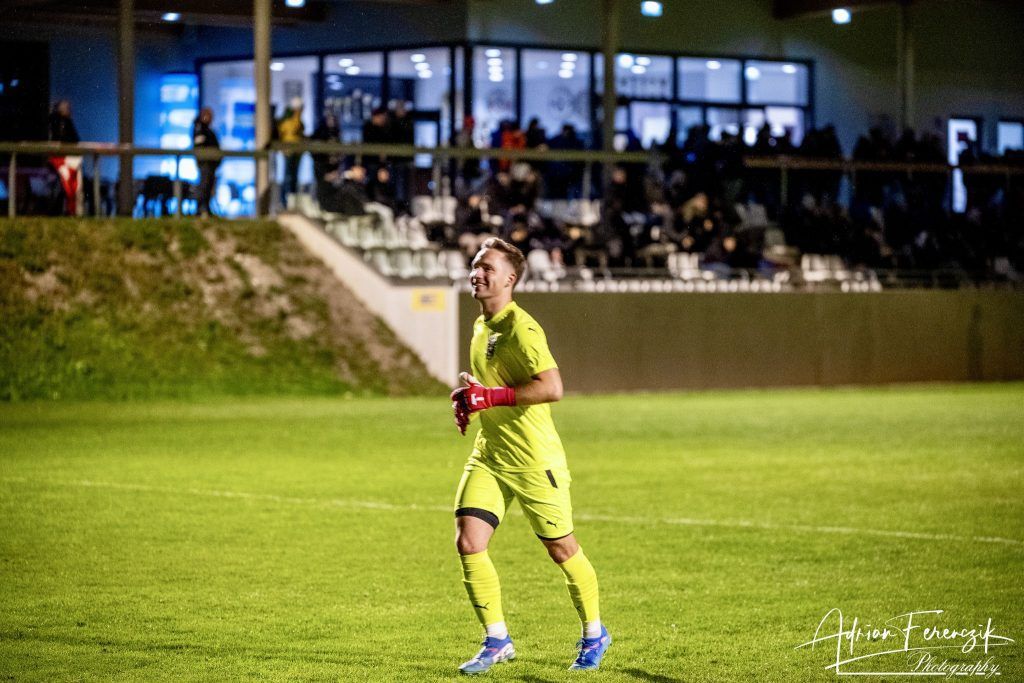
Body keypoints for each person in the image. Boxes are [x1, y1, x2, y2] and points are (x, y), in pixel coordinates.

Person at [449, 237, 611, 674]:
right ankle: (497, 639)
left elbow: (552, 387)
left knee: (561, 549)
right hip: (491, 455)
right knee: (469, 541)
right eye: (475, 265)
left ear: (510, 278)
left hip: (534, 460)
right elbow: (491, 387)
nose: (477, 272)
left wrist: (491, 397)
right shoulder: (483, 326)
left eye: (487, 267)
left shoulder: (522, 328)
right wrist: (469, 399)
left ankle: (595, 632)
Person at [192, 107, 221, 218]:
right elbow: (200, 146)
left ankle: (206, 209)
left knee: (209, 186)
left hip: (211, 163)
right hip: (205, 163)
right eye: (208, 116)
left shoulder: (208, 130)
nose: (210, 119)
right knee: (204, 186)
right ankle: (200, 210)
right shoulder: (200, 129)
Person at [277, 97, 305, 206]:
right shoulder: (289, 120)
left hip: (296, 151)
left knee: (293, 177)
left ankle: (291, 201)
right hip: (289, 151)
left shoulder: (295, 119)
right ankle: (285, 201)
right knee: (288, 176)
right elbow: (290, 134)